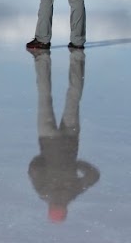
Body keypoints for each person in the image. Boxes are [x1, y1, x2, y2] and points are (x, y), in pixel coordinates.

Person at [28, 49, 99, 222]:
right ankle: (41, 58)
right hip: (47, 138)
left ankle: (77, 56)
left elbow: (93, 175)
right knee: (44, 96)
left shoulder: (74, 191)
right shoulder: (43, 191)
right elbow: (34, 169)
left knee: (73, 97)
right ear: (51, 209)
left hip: (70, 139)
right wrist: (43, 158)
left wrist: (74, 163)